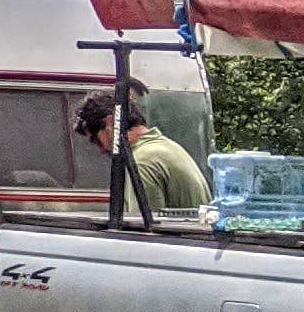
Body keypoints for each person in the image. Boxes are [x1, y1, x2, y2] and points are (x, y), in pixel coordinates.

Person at [76, 91, 212, 223]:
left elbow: (145, 232)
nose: (100, 149)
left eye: (96, 140)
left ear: (111, 123)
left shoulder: (142, 162)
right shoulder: (167, 147)